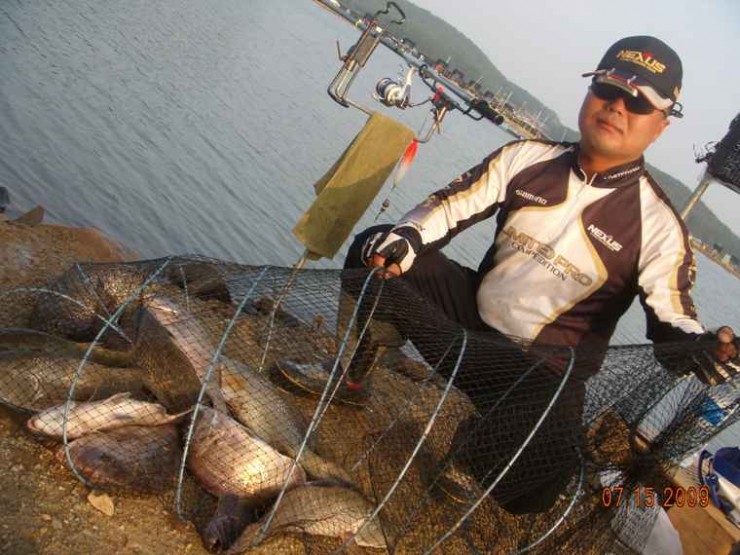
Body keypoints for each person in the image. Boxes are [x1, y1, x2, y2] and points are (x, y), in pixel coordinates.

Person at [335, 35, 740, 513]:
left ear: (661, 126)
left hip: (535, 377)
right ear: (589, 94)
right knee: (374, 246)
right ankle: (353, 378)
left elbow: (673, 324)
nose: (617, 106)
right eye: (608, 89)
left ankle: (475, 447)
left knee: (536, 489)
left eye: (638, 102)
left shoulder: (660, 227)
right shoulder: (526, 157)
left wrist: (705, 351)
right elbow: (446, 209)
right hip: (463, 323)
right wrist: (405, 238)